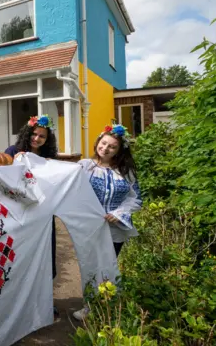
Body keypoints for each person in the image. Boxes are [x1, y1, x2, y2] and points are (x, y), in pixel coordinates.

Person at [72, 124, 142, 321]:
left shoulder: (126, 171)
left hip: (115, 228)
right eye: (103, 143)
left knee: (109, 266)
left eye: (112, 146)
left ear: (119, 150)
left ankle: (107, 306)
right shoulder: (84, 166)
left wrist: (119, 213)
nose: (105, 148)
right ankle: (90, 306)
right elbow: (65, 182)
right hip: (90, 228)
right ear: (97, 143)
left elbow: (136, 198)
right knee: (90, 267)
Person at [5, 114, 60, 318]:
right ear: (27, 133)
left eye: (42, 136)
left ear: (47, 140)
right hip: (20, 213)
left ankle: (46, 300)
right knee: (22, 255)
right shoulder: (12, 152)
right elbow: (2, 177)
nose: (36, 139)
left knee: (47, 254)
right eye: (34, 134)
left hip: (44, 213)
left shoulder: (50, 158)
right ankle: (19, 303)